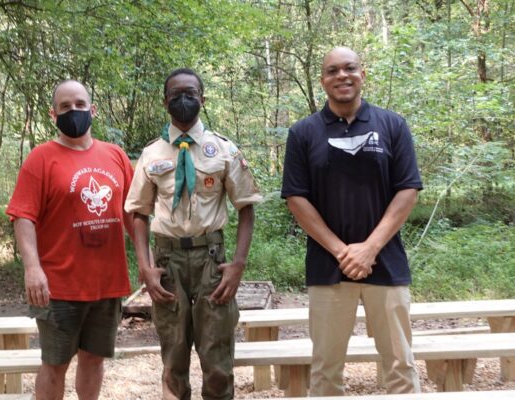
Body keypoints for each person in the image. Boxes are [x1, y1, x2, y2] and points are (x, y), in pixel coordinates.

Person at [281, 47, 422, 396]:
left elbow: (407, 190)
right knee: (326, 370)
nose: (342, 76)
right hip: (327, 268)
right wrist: (343, 251)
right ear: (323, 80)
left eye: (349, 68)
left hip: (386, 264)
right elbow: (296, 198)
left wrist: (370, 248)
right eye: (332, 71)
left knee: (400, 366)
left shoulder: (392, 125)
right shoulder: (303, 133)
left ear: (363, 74)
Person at [125, 68, 262, 400]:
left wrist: (238, 264)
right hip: (167, 260)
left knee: (217, 358)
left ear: (202, 98)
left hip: (211, 260)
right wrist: (144, 266)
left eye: (190, 93)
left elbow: (246, 207)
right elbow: (138, 214)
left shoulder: (223, 149)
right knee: (173, 355)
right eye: (175, 94)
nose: (183, 99)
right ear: (165, 101)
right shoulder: (152, 154)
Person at [6, 79, 134, 400]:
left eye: (79, 104)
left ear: (93, 109)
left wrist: (149, 259)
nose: (73, 111)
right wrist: (32, 268)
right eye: (65, 107)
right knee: (55, 362)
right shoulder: (41, 158)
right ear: (53, 114)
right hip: (59, 285)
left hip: (107, 283)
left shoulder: (115, 156)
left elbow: (135, 213)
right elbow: (23, 217)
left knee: (93, 359)